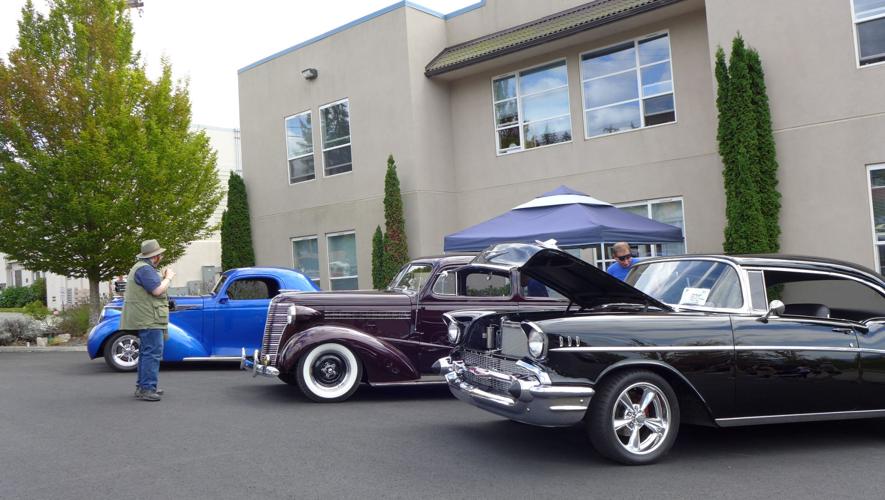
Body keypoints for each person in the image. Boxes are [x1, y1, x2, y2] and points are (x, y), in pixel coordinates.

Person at [120, 240, 175, 402]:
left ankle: (144, 386)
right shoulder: (145, 269)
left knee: (146, 352)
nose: (162, 256)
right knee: (152, 352)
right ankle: (147, 388)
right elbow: (157, 290)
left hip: (146, 317)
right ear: (155, 257)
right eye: (160, 254)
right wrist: (169, 278)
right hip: (149, 318)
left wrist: (163, 278)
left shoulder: (141, 268)